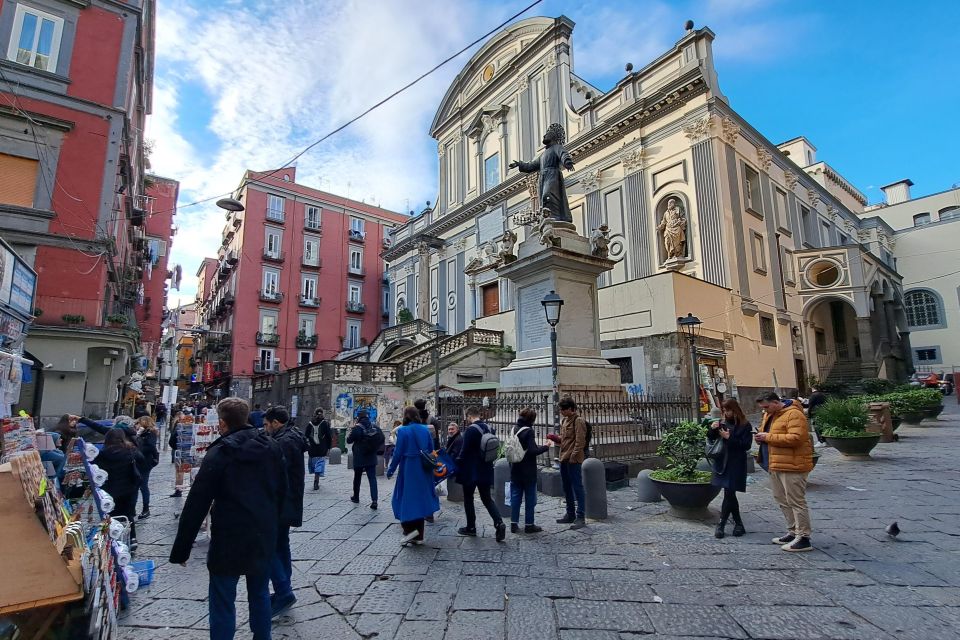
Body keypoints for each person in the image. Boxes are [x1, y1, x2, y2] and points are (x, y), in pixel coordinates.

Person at [170, 397, 286, 640]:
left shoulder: (220, 452)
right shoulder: (272, 447)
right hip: (262, 532)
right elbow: (283, 490)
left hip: (229, 535)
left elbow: (197, 502)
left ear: (222, 424)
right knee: (260, 593)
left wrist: (182, 550)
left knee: (223, 598)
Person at [755, 391, 815, 552]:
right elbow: (767, 432)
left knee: (796, 500)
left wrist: (767, 437)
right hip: (775, 463)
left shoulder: (794, 414)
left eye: (766, 406)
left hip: (792, 465)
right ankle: (793, 531)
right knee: (781, 499)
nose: (765, 410)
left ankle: (804, 537)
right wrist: (760, 436)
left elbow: (797, 438)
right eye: (763, 408)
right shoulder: (771, 414)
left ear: (776, 402)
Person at [263, 406, 306, 617]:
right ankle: (283, 589)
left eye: (266, 425)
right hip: (288, 501)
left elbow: (277, 474)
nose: (265, 429)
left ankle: (283, 590)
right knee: (281, 545)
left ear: (276, 423)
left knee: (268, 547)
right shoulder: (292, 437)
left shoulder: (284, 442)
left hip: (281, 502)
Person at [386, 406, 440, 545]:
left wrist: (391, 469)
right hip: (423, 469)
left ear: (406, 416)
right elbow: (431, 450)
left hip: (409, 468)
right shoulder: (425, 429)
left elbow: (398, 453)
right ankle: (419, 536)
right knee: (420, 500)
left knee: (404, 499)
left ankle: (409, 531)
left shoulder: (403, 431)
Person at [455, 406, 506, 541]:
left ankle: (471, 527)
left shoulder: (470, 430)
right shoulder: (489, 428)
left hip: (471, 471)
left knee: (468, 499)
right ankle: (499, 522)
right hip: (486, 469)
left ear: (469, 416)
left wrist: (457, 462)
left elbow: (464, 452)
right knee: (487, 498)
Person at [707, 399, 753, 539]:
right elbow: (711, 438)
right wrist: (713, 429)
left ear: (735, 410)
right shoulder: (722, 423)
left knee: (729, 492)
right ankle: (738, 524)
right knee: (729, 493)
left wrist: (729, 437)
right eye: (724, 411)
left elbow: (746, 445)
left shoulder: (745, 425)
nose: (726, 413)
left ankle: (721, 524)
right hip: (722, 462)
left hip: (736, 462)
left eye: (728, 410)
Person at [96, 429, 144, 549]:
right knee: (128, 514)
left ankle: (111, 540)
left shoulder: (102, 454)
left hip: (110, 489)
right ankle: (132, 539)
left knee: (110, 515)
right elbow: (142, 460)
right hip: (129, 489)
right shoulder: (130, 450)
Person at [547, 397, 587, 530]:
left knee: (577, 487)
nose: (561, 412)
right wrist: (555, 438)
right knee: (566, 487)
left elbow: (580, 441)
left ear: (570, 409)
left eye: (563, 409)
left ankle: (580, 516)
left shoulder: (578, 421)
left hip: (573, 460)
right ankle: (570, 514)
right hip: (563, 458)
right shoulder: (565, 421)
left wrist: (574, 456)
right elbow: (564, 440)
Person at [510, 408, 550, 534]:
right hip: (528, 470)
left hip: (515, 468)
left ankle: (513, 524)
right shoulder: (528, 431)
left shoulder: (514, 429)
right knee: (529, 498)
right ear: (532, 419)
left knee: (515, 497)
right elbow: (533, 451)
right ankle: (529, 524)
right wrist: (546, 447)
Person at [347, 410, 379, 509]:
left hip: (359, 456)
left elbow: (349, 440)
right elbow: (380, 439)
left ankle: (356, 497)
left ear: (359, 417)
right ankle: (374, 500)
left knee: (357, 477)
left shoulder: (357, 428)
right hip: (371, 456)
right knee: (372, 479)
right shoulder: (374, 426)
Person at [135, 417, 160, 519]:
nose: (137, 424)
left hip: (145, 462)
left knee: (143, 485)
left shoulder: (151, 433)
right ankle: (134, 508)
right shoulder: (141, 432)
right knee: (136, 485)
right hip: (138, 461)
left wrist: (138, 446)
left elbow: (150, 446)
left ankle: (146, 509)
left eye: (139, 422)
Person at [304, 409, 332, 490]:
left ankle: (316, 478)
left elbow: (306, 435)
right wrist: (329, 447)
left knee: (314, 464)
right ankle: (316, 480)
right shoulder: (325, 424)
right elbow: (328, 436)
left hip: (312, 448)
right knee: (319, 464)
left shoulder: (310, 424)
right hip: (322, 448)